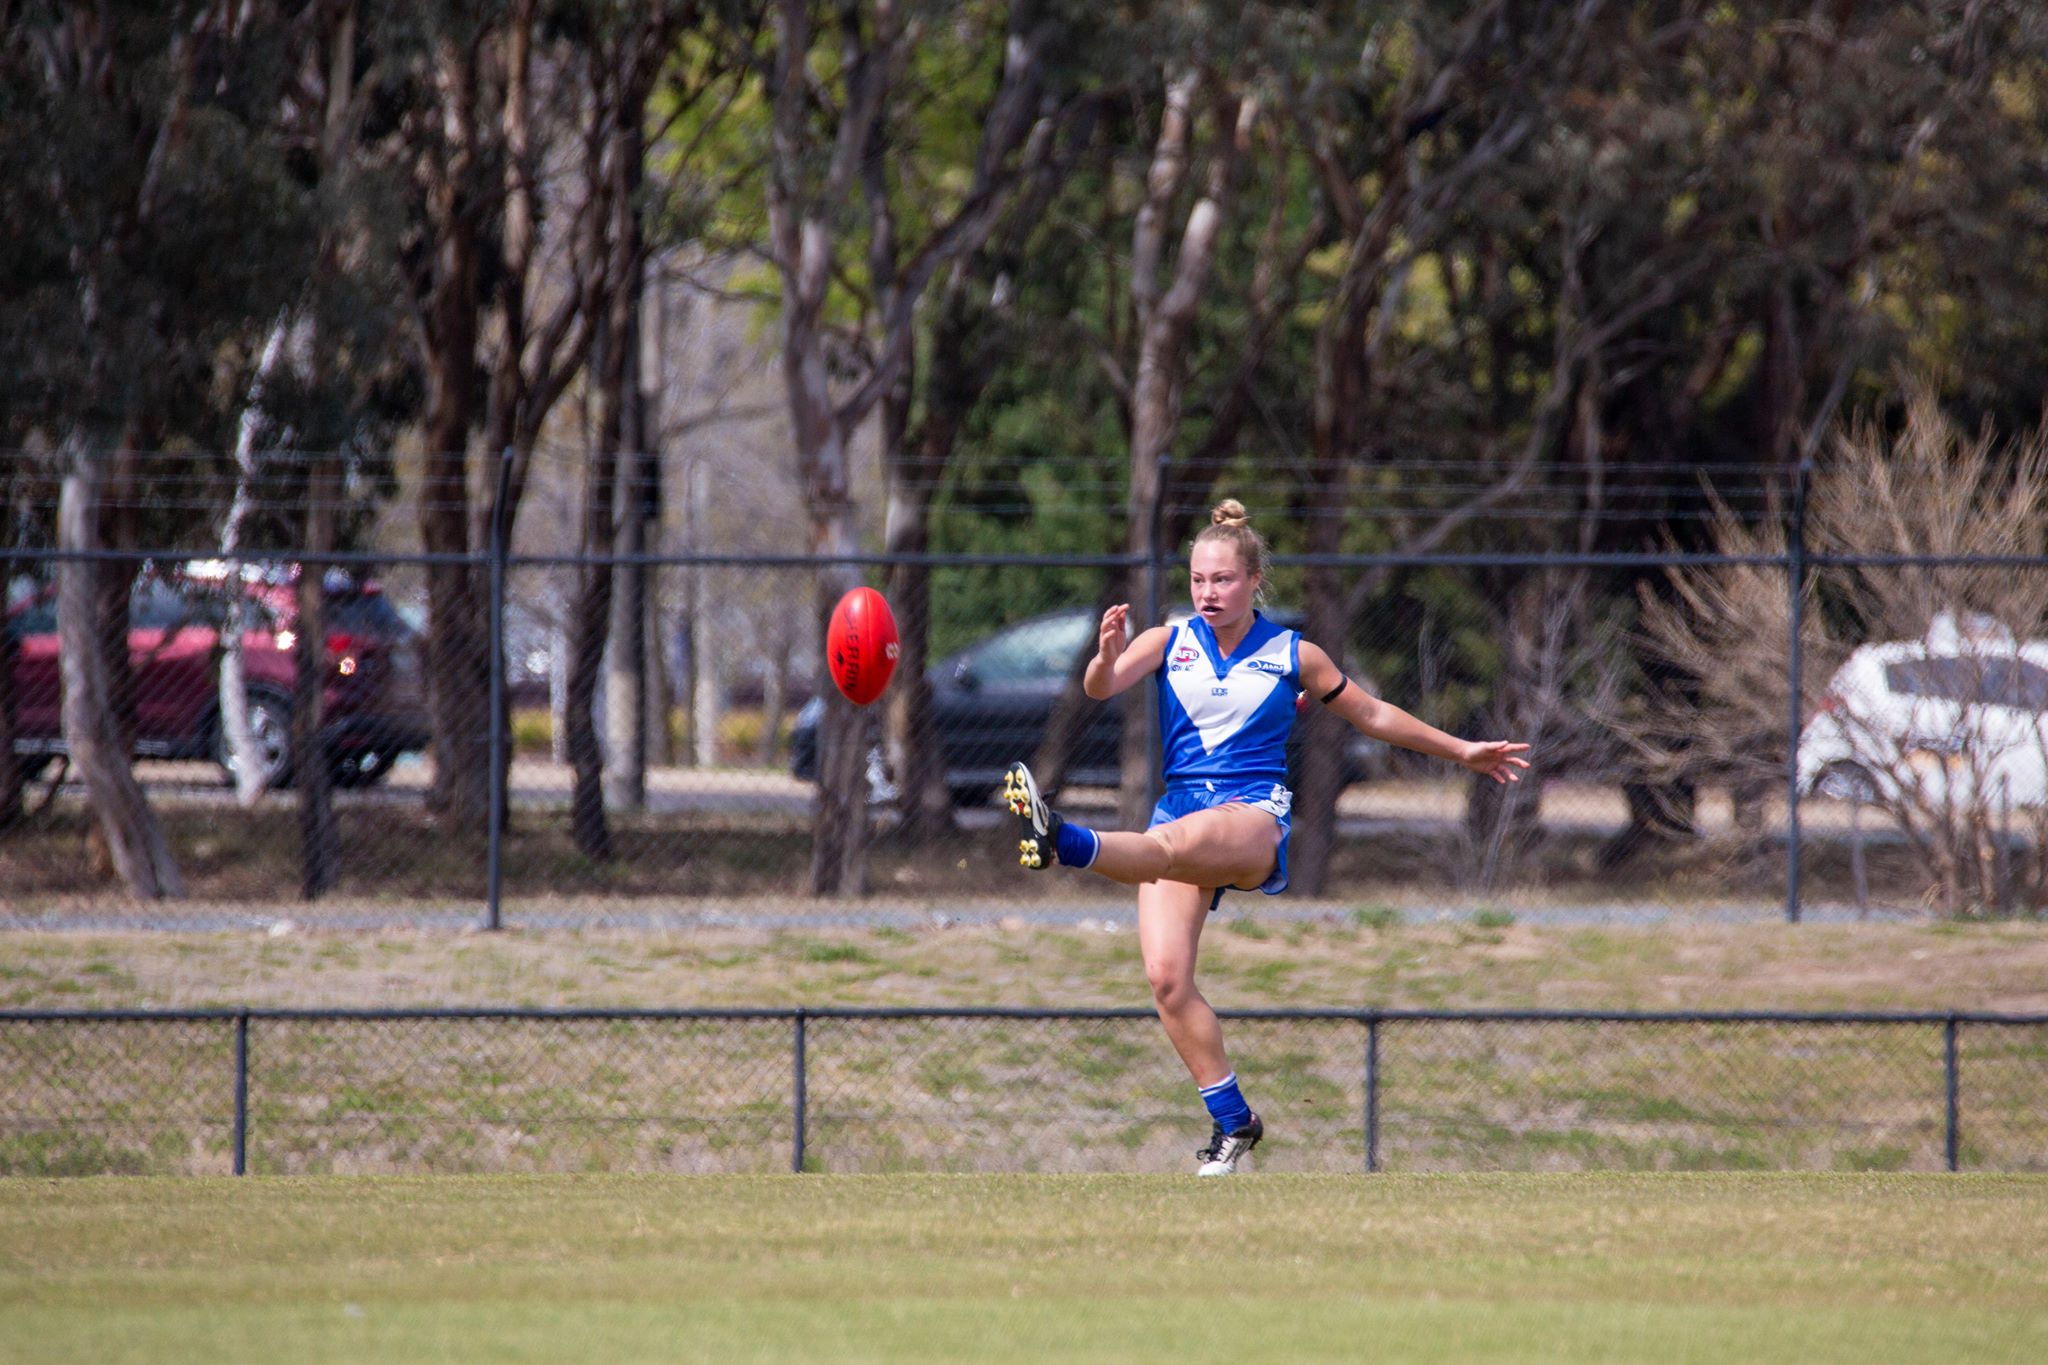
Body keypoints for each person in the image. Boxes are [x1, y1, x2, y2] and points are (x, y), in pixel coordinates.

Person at [1002, 499, 1530, 1175]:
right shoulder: (1168, 640)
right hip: (1182, 811)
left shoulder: (1292, 653)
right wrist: (1105, 656)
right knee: (1167, 981)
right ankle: (1234, 1122)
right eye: (1198, 579)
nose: (1208, 592)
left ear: (1255, 581)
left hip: (1252, 816)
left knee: (1166, 847)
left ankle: (1061, 840)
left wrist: (1462, 751)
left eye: (1222, 579)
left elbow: (1371, 713)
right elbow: (1101, 686)